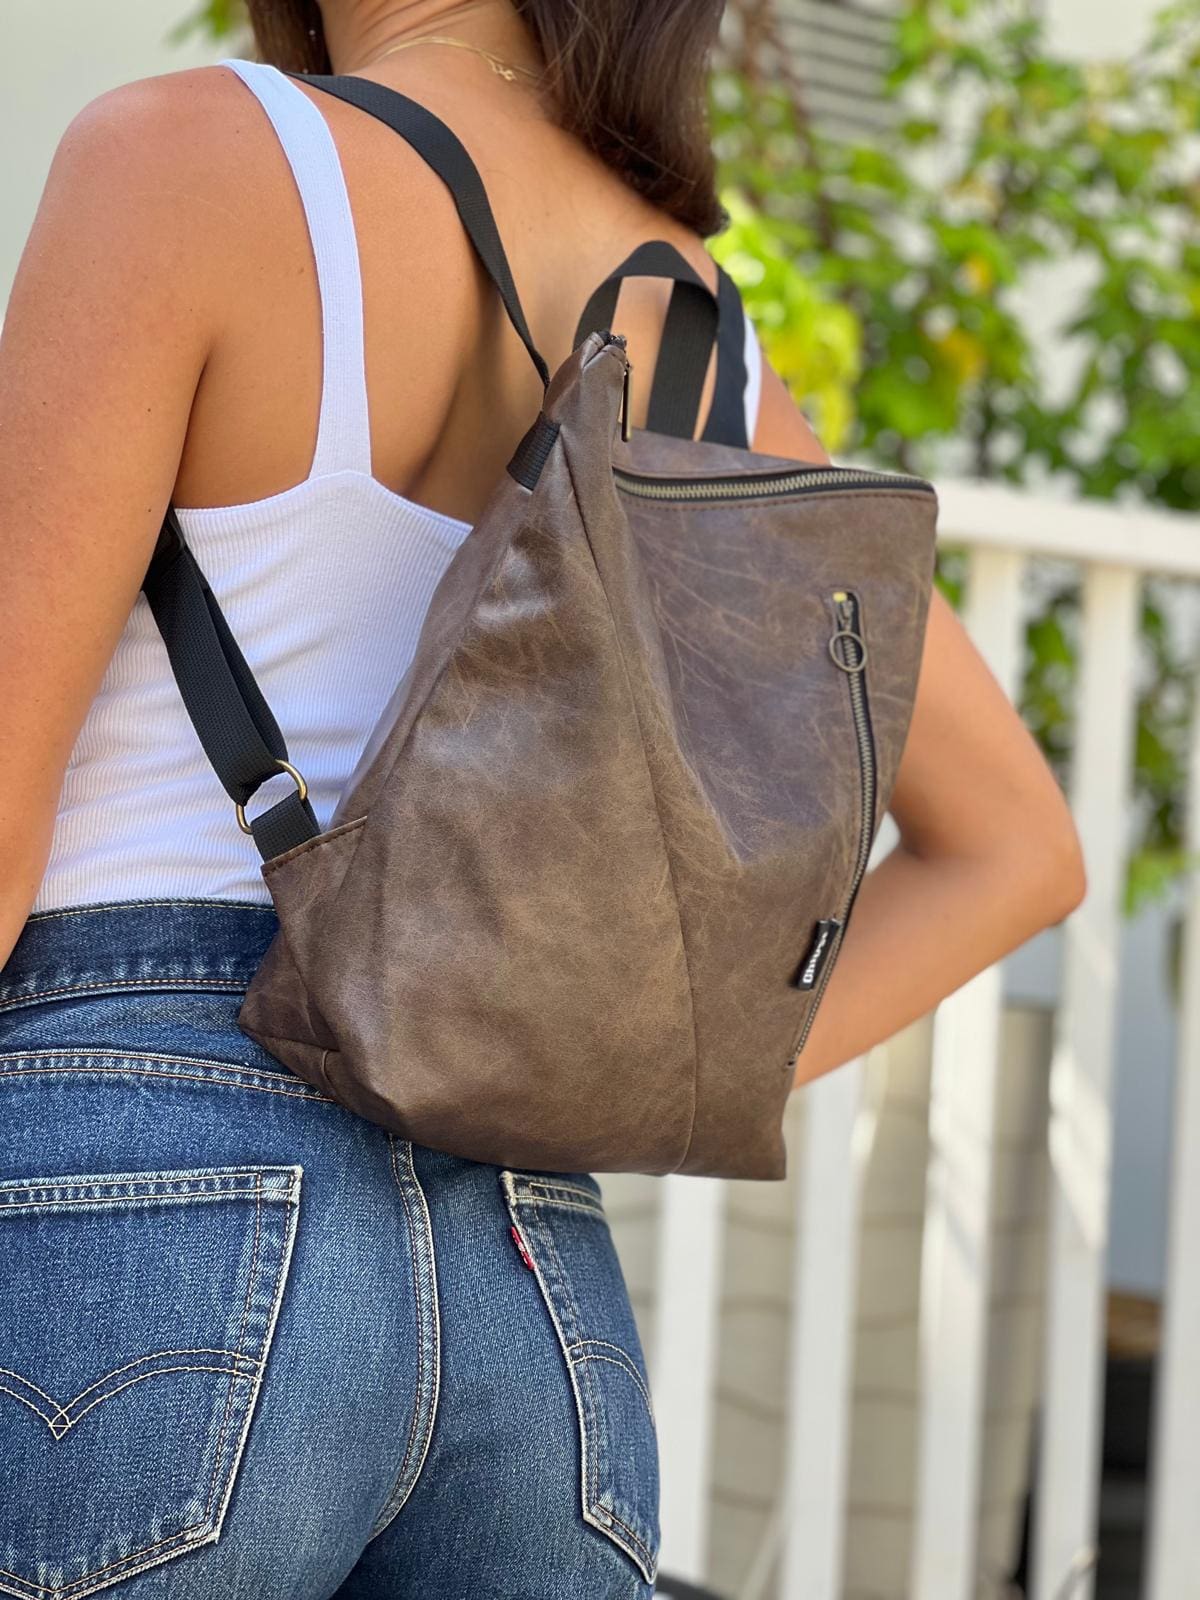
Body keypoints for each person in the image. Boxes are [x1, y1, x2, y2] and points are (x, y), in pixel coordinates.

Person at [0, 2, 1085, 1596]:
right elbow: (1018, 852)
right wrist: (611, 1062)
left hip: (147, 1196)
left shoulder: (190, 159)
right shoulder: (694, 326)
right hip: (530, 1284)